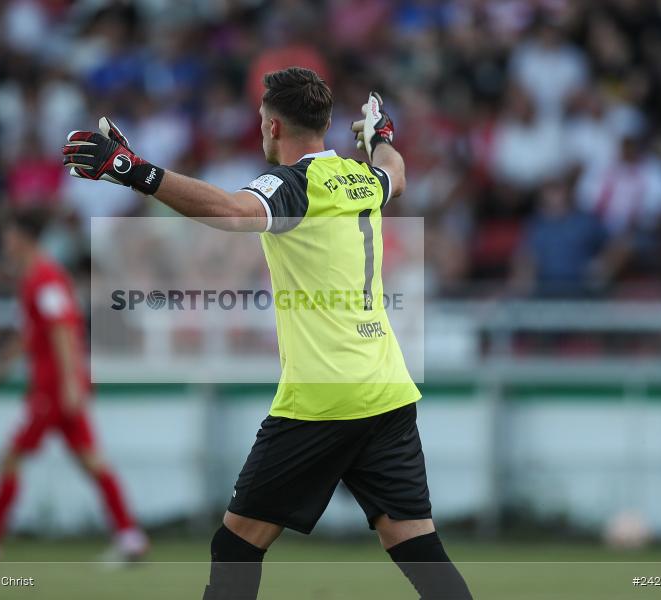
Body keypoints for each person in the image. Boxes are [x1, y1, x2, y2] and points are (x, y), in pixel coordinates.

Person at [63, 66, 472, 600]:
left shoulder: (290, 183)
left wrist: (133, 170)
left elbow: (232, 212)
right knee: (416, 545)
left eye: (261, 120)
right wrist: (381, 137)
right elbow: (396, 173)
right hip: (388, 390)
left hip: (323, 398)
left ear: (274, 127)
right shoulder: (361, 179)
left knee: (236, 547)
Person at [0, 210, 147, 563]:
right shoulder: (36, 277)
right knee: (91, 461)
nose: (4, 242)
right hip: (58, 386)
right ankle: (130, 537)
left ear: (21, 237)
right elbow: (32, 333)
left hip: (52, 389)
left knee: (10, 458)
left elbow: (62, 330)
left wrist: (68, 384)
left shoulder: (44, 277)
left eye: (7, 235)